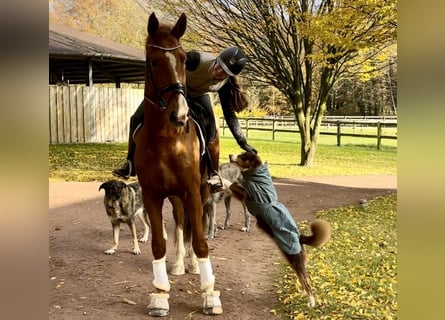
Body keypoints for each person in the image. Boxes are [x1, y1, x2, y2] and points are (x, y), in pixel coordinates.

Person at [112, 46, 257, 191]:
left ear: (229, 76)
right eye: (220, 66)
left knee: (212, 130)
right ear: (217, 59)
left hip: (199, 96)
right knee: (135, 118)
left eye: (225, 73)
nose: (219, 72)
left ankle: (213, 173)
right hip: (175, 92)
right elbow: (174, 60)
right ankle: (130, 163)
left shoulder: (225, 84)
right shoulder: (197, 59)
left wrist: (242, 142)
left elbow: (229, 115)